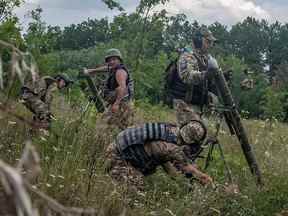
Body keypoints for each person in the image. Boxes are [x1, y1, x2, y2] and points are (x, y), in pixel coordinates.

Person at [105, 100, 213, 190]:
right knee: (136, 193)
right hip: (118, 159)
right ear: (191, 142)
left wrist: (183, 185)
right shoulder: (173, 149)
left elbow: (167, 165)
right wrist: (206, 179)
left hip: (115, 146)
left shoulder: (170, 128)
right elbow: (189, 169)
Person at [164, 26, 231, 113]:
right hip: (183, 105)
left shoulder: (205, 58)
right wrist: (205, 74)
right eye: (208, 42)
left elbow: (207, 83)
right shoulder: (187, 56)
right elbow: (187, 76)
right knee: (194, 127)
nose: (210, 45)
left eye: (211, 43)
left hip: (197, 106)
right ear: (198, 41)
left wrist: (221, 77)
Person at [83, 48, 134, 129]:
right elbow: (105, 68)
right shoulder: (113, 68)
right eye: (109, 60)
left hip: (122, 104)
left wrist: (116, 104)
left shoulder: (120, 72)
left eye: (114, 59)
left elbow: (122, 87)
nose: (111, 62)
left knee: (112, 126)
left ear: (119, 60)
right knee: (113, 125)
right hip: (117, 103)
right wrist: (92, 71)